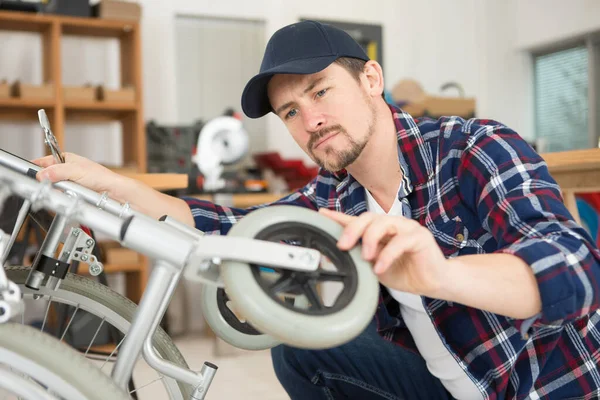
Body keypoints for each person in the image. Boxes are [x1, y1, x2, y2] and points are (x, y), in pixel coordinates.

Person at [33, 20, 600, 400]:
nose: (310, 122)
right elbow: (226, 229)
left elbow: (575, 264)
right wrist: (106, 182)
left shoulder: (471, 147)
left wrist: (443, 275)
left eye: (321, 91)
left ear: (370, 79)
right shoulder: (332, 197)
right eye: (290, 111)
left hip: (539, 387)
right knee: (298, 351)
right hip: (443, 385)